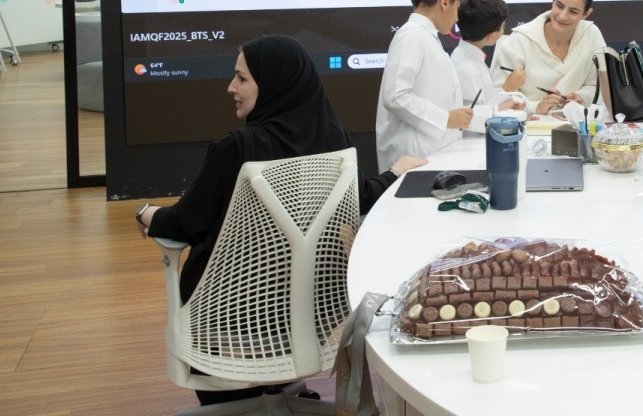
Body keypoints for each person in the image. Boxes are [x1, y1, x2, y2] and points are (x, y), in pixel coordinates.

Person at [134, 35, 426, 406]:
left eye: (241, 79)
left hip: (226, 323)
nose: (230, 88)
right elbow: (362, 195)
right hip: (312, 320)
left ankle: (255, 395)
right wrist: (395, 172)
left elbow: (183, 224)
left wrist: (146, 214)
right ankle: (275, 391)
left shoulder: (237, 149)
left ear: (270, 84)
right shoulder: (333, 143)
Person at [376, 0, 474, 172]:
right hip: (413, 160)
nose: (457, 19)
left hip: (430, 157)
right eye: (457, 8)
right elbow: (395, 96)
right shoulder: (412, 35)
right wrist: (446, 118)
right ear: (445, 2)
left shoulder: (426, 37)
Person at [491, 0, 606, 115]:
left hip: (575, 124)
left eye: (573, 11)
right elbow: (499, 100)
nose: (563, 16)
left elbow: (599, 87)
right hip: (528, 127)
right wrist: (536, 107)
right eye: (559, 6)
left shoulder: (591, 35)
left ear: (586, 14)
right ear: (553, 0)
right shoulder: (518, 41)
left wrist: (580, 97)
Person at [451, 0, 525, 133]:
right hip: (473, 143)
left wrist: (503, 105)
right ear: (491, 37)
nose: (504, 29)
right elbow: (474, 117)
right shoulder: (466, 68)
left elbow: (484, 103)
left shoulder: (469, 57)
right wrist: (507, 88)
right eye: (502, 26)